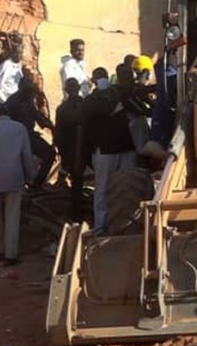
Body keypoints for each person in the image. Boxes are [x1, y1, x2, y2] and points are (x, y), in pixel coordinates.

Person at [83, 63, 139, 233]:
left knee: (102, 189)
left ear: (93, 81)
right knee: (126, 187)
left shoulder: (91, 100)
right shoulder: (120, 92)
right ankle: (128, 223)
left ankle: (101, 226)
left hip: (105, 150)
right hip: (124, 148)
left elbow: (82, 124)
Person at [0, 105, 35, 264]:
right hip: (14, 176)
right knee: (12, 215)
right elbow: (26, 155)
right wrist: (30, 176)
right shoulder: (20, 128)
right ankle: (11, 254)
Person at [3, 77, 57, 186]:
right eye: (27, 90)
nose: (29, 92)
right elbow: (5, 120)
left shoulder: (29, 99)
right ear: (20, 88)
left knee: (50, 153)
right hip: (15, 138)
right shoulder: (12, 101)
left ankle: (36, 185)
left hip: (29, 136)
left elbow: (38, 117)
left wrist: (51, 126)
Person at [54, 78, 88, 218]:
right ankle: (78, 212)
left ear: (66, 90)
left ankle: (76, 211)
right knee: (79, 181)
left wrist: (63, 152)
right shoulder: (86, 105)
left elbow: (58, 134)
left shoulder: (62, 109)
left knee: (76, 181)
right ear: (79, 88)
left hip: (71, 150)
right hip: (85, 149)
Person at [0, 37, 26, 103]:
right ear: (12, 53)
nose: (19, 55)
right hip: (4, 100)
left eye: (21, 53)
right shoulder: (6, 65)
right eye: (17, 53)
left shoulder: (19, 66)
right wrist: (5, 103)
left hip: (15, 101)